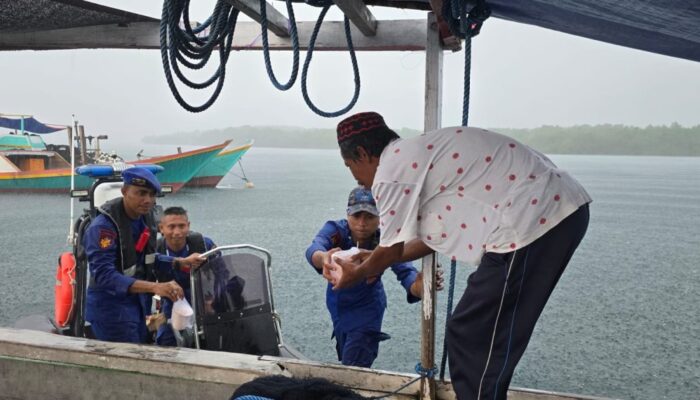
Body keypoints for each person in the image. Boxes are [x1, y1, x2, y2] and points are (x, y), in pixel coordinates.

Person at [330, 112, 591, 399]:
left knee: (472, 334)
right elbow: (418, 244)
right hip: (553, 213)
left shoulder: (390, 170)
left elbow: (390, 249)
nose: (357, 179)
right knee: (483, 335)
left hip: (532, 219)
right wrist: (370, 257)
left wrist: (357, 272)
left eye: (349, 166)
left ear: (362, 153)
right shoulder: (415, 160)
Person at [306, 186, 442, 368]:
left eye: (369, 217)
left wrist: (422, 286)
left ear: (380, 218)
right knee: (347, 359)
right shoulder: (336, 231)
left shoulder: (387, 242)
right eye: (356, 216)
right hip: (339, 310)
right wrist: (323, 258)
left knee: (354, 367)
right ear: (348, 214)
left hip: (366, 313)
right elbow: (314, 248)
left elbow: (407, 275)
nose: (362, 223)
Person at [83, 167, 204, 343]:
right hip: (110, 311)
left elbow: (148, 259)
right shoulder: (103, 228)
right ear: (124, 191)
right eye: (141, 193)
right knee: (128, 361)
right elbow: (104, 275)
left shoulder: (144, 219)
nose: (147, 200)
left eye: (151, 194)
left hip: (137, 306)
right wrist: (155, 287)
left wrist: (179, 262)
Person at [153, 206, 216, 346]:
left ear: (188, 226)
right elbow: (146, 280)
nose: (177, 232)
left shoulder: (205, 245)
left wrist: (213, 299)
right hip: (171, 306)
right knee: (164, 343)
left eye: (181, 226)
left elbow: (222, 274)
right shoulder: (156, 250)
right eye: (171, 227)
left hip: (204, 305)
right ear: (161, 228)